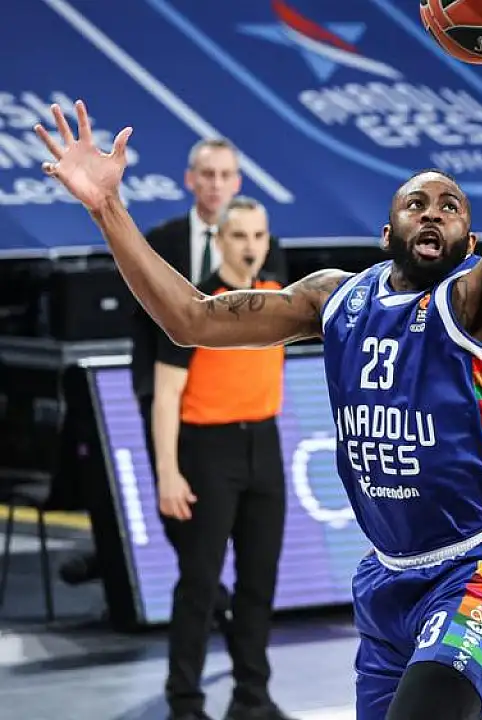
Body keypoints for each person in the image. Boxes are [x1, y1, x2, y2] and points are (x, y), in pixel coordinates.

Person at [34, 1, 482, 716]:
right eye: (417, 203)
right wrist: (108, 209)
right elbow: (189, 319)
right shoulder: (334, 298)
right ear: (387, 231)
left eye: (451, 206)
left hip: (481, 568)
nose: (434, 211)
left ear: (470, 244)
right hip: (387, 579)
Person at [151, 197, 292, 720]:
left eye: (258, 236)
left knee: (259, 579)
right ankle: (184, 700)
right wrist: (168, 471)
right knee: (200, 581)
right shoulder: (196, 307)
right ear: (219, 241)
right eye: (239, 236)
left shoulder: (280, 298)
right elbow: (166, 394)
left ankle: (252, 695)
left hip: (264, 443)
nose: (250, 246)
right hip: (208, 449)